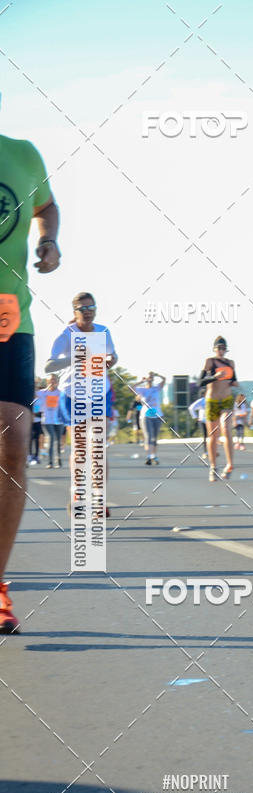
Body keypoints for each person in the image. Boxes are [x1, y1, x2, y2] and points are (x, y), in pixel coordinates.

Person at [0, 128, 60, 633]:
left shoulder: (21, 154)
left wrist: (49, 241)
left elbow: (46, 207)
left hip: (9, 320)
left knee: (15, 445)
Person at [45, 292, 117, 515]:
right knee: (80, 447)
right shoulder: (67, 334)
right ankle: (77, 492)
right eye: (82, 309)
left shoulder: (103, 331)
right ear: (74, 311)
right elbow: (49, 366)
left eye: (91, 307)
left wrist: (110, 360)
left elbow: (113, 356)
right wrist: (75, 357)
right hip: (74, 396)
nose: (87, 312)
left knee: (97, 446)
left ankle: (99, 498)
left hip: (99, 393)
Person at [199, 337, 238, 481]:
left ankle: (229, 464)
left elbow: (234, 379)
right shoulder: (210, 361)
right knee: (213, 436)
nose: (221, 351)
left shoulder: (231, 363)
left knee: (226, 429)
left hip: (226, 400)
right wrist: (215, 377)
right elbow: (200, 382)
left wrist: (234, 383)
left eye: (223, 348)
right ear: (214, 349)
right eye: (219, 348)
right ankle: (213, 467)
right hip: (212, 401)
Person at [134, 372, 166, 465]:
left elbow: (164, 380)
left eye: (151, 378)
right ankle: (149, 456)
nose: (150, 379)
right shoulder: (142, 390)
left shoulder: (156, 388)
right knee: (148, 436)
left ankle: (154, 455)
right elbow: (131, 387)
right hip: (146, 416)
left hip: (157, 415)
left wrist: (157, 375)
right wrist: (141, 381)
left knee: (154, 438)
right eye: (149, 378)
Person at [38, 373, 63, 467]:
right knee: (51, 438)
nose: (52, 382)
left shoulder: (61, 393)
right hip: (47, 420)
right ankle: (50, 462)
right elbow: (35, 402)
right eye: (50, 380)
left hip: (59, 420)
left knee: (58, 440)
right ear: (47, 382)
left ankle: (58, 459)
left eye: (54, 380)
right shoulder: (41, 393)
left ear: (57, 382)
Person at [29, 380, 44, 465]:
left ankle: (36, 456)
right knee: (30, 438)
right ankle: (30, 455)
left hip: (37, 421)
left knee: (37, 438)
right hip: (29, 421)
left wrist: (35, 414)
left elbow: (40, 411)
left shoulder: (39, 399)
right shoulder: (27, 397)